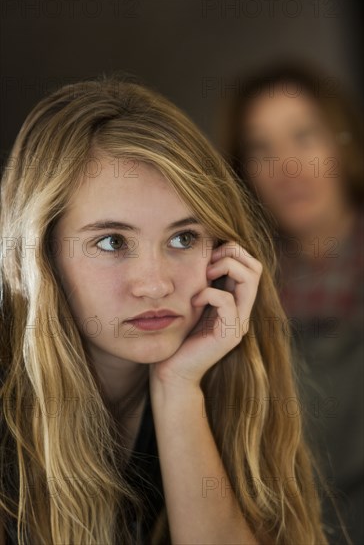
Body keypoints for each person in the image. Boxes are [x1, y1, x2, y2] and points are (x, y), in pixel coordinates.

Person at [0, 74, 329, 545]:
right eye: (111, 242)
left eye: (183, 238)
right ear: (40, 256)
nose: (154, 284)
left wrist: (177, 389)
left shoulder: (226, 379)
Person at [219, 63, 363, 544]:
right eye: (262, 149)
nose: (287, 168)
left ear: (342, 144)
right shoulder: (234, 288)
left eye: (304, 137)